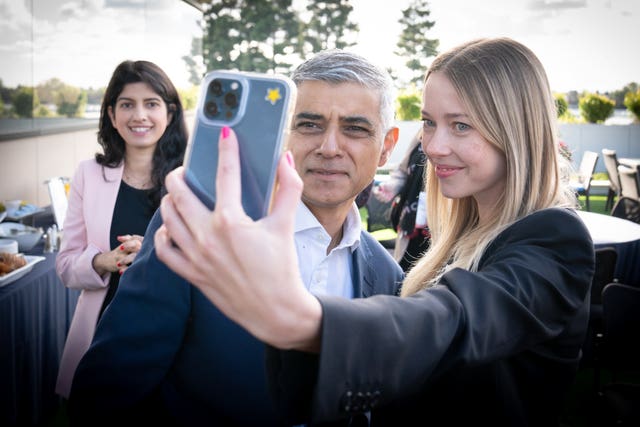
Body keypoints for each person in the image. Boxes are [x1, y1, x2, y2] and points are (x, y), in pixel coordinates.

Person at [155, 37, 595, 426]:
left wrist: (304, 321)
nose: (434, 146)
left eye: (461, 125)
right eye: (430, 122)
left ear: (514, 132)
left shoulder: (555, 241)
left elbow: (453, 321)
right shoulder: (457, 241)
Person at [68, 50, 404, 426]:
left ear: (387, 147)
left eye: (355, 128)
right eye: (309, 124)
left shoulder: (387, 277)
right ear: (283, 133)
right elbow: (103, 393)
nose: (329, 146)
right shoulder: (194, 229)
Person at [55, 60, 188, 399]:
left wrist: (151, 254)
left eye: (152, 104)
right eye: (127, 104)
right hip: (104, 336)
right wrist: (104, 261)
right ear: (112, 115)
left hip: (177, 338)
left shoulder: (191, 178)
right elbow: (66, 266)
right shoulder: (88, 174)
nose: (139, 115)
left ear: (170, 114)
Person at [372, 128, 431, 271]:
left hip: (438, 228)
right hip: (411, 224)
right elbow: (403, 170)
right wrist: (392, 187)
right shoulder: (421, 134)